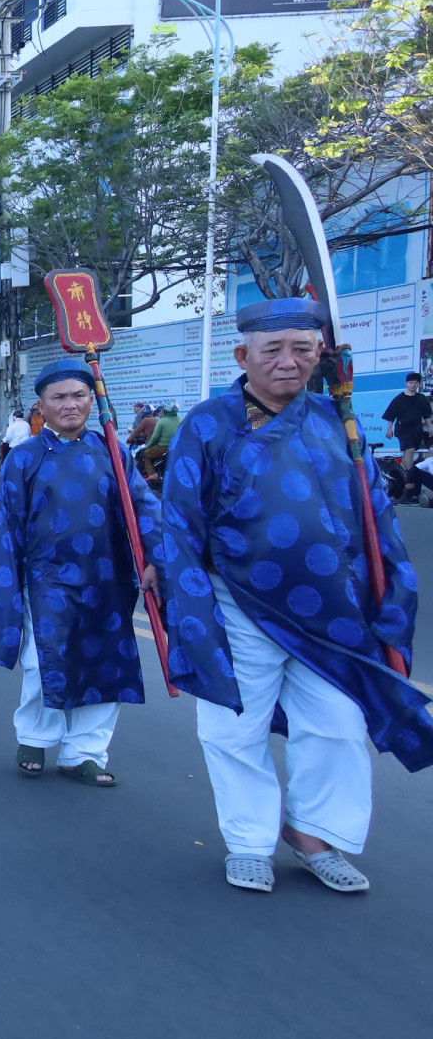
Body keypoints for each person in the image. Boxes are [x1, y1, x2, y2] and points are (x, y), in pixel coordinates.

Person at [157, 297, 433, 894]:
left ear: (320, 356)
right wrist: (188, 604)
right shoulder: (208, 424)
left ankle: (314, 835)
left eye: (302, 350)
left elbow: (373, 512)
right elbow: (178, 524)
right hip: (240, 601)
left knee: (337, 723)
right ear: (243, 355)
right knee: (236, 726)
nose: (288, 362)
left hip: (335, 610)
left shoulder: (340, 421)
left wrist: (393, 586)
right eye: (273, 350)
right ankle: (249, 840)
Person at [0, 360, 166, 786]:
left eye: (78, 396)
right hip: (45, 578)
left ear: (92, 400)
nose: (70, 404)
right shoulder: (23, 458)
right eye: (59, 397)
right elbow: (9, 524)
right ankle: (35, 735)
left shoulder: (112, 450)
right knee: (42, 662)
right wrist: (11, 579)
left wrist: (156, 556)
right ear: (42, 406)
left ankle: (85, 752)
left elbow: (142, 505)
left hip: (106, 576)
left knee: (104, 662)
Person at [383, 372, 431, 503]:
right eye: (411, 382)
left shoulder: (421, 398)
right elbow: (390, 415)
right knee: (409, 450)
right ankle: (410, 477)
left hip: (417, 431)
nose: (413, 384)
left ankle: (414, 480)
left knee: (419, 454)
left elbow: (427, 416)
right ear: (406, 383)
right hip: (403, 430)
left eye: (416, 382)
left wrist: (430, 427)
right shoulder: (399, 398)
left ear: (419, 384)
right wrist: (389, 430)